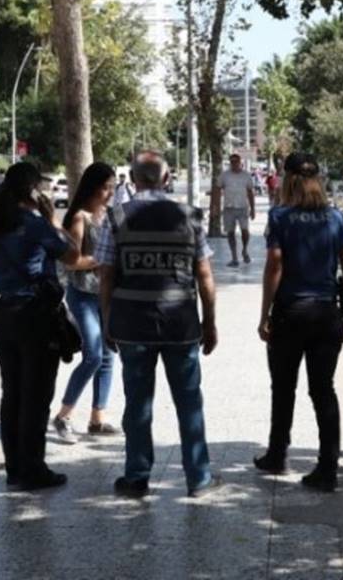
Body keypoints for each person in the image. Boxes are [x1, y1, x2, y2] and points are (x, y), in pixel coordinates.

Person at [98, 150, 224, 499]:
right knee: (189, 402)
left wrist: (107, 320)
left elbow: (106, 275)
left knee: (138, 404)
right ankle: (198, 478)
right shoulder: (189, 216)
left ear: (132, 179)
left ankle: (136, 477)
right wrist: (209, 321)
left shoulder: (116, 217)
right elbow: (204, 275)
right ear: (167, 179)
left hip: (132, 325)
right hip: (180, 325)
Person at [254, 153, 343, 492]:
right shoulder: (336, 218)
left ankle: (277, 454)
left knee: (283, 388)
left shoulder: (280, 217)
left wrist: (265, 313)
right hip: (327, 313)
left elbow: (275, 265)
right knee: (323, 390)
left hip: (290, 313)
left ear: (288, 180)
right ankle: (328, 467)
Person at [0, 162, 80, 491]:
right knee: (36, 397)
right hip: (35, 318)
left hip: (3, 318)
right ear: (33, 192)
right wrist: (53, 222)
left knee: (12, 395)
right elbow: (73, 256)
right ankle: (34, 470)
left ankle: (15, 469)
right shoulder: (37, 226)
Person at [52, 162, 121, 444]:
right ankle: (63, 416)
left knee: (108, 355)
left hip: (106, 294)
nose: (110, 193)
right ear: (93, 188)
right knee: (93, 354)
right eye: (106, 188)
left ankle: (97, 419)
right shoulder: (80, 218)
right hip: (82, 295)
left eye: (113, 188)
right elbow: (71, 262)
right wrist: (99, 260)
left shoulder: (111, 216)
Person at [216, 154, 256, 267]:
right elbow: (217, 189)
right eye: (232, 162)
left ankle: (245, 250)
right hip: (229, 208)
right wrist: (216, 207)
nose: (234, 164)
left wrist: (253, 209)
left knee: (245, 231)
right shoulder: (224, 175)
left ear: (240, 162)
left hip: (243, 207)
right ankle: (234, 257)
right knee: (230, 232)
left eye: (236, 161)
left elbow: (250, 192)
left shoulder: (246, 176)